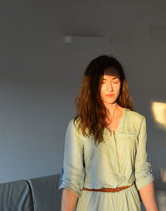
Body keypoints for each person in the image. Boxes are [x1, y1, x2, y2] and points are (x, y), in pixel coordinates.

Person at [59, 55, 158, 211]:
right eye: (103, 82)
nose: (110, 88)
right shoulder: (78, 126)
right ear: (92, 85)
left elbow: (143, 172)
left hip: (128, 202)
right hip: (92, 203)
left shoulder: (137, 121)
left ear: (122, 84)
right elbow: (72, 179)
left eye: (115, 82)